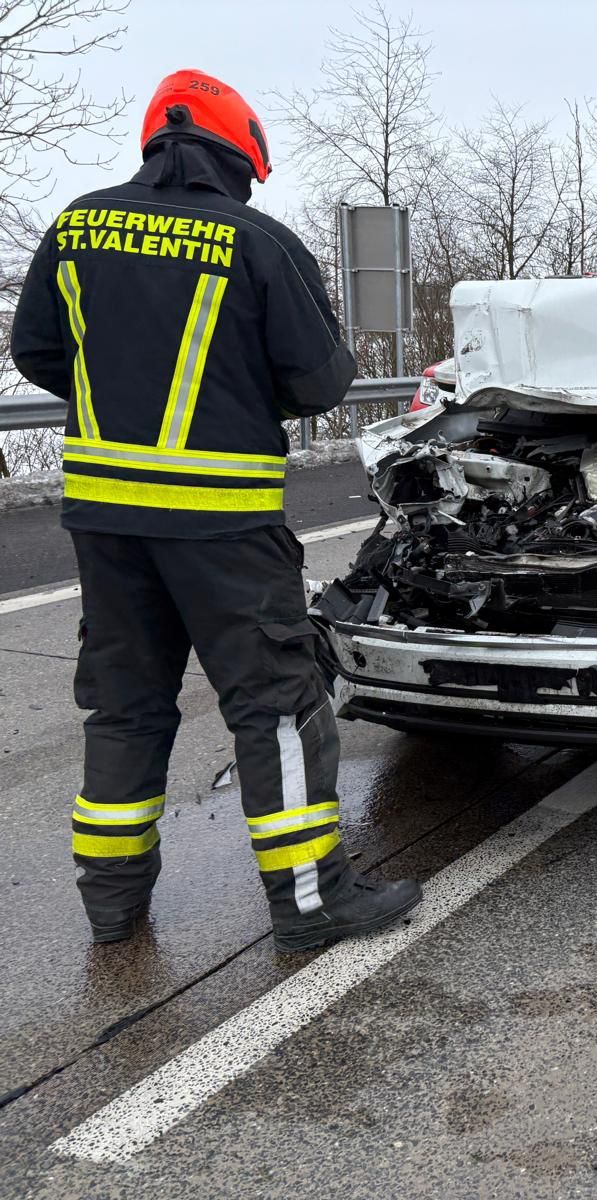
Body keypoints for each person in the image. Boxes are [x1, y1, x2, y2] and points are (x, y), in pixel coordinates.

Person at [11, 69, 421, 952]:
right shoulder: (257, 243)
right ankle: (312, 904)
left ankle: (114, 914)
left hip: (107, 523)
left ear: (158, 139)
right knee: (275, 705)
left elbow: (40, 350)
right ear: (240, 154)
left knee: (124, 708)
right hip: (224, 526)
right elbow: (323, 381)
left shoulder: (78, 226)